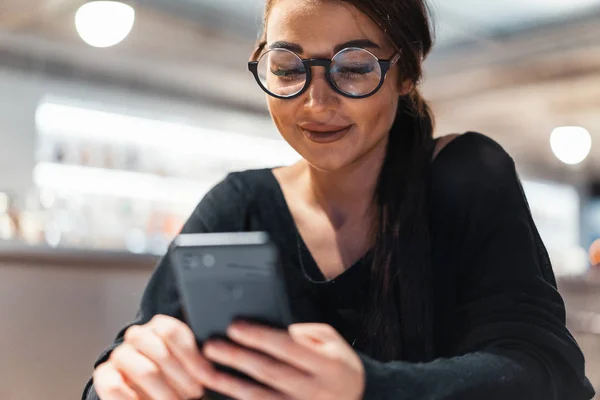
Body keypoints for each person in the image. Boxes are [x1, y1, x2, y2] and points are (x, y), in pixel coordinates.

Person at [84, 0, 596, 399]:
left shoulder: (465, 176)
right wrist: (126, 379)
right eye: (288, 67)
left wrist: (367, 388)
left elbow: (547, 372)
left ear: (406, 74)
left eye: (353, 67)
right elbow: (118, 370)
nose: (316, 102)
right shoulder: (237, 204)